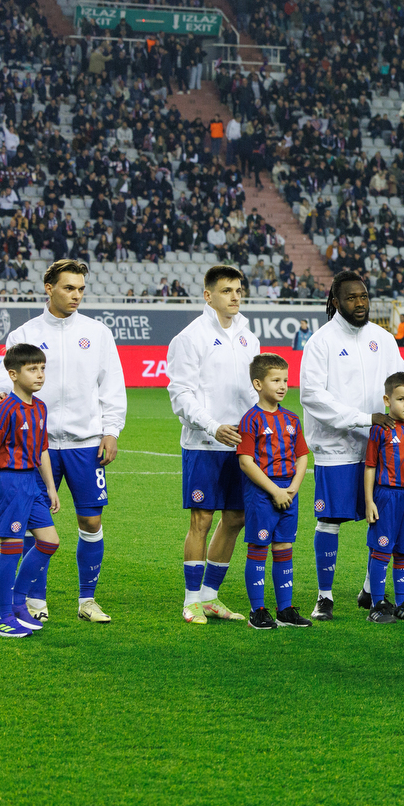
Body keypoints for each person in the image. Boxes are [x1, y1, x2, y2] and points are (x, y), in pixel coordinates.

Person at [0, 258, 126, 624]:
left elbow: (112, 385)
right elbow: (3, 379)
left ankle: (87, 600)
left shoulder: (97, 333)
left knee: (91, 522)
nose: (76, 295)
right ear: (49, 288)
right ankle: (34, 600)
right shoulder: (24, 333)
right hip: (38, 447)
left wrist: (111, 430)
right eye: (69, 288)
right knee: (36, 524)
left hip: (86, 443)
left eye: (81, 288)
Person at [302, 272, 404, 620]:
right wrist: (364, 418)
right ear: (335, 302)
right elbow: (312, 396)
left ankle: (370, 590)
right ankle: (324, 597)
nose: (360, 303)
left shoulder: (383, 338)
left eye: (364, 296)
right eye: (352, 298)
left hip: (381, 449)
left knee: (380, 521)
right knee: (330, 520)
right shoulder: (321, 342)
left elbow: (403, 382)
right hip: (336, 448)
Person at [166, 265, 261, 624]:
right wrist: (212, 426)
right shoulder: (190, 338)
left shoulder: (248, 336)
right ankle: (190, 601)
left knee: (235, 518)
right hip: (204, 442)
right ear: (209, 296)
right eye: (226, 291)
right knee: (202, 519)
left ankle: (210, 597)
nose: (235, 296)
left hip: (241, 443)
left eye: (238, 290)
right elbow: (181, 394)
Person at [0, 344, 61, 638]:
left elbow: (43, 449)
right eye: (32, 369)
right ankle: (3, 616)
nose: (40, 375)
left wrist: (50, 486)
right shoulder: (5, 408)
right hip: (8, 483)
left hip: (32, 482)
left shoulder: (41, 407)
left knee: (49, 541)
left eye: (42, 368)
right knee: (10, 548)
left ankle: (19, 604)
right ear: (13, 374)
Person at [234, 353, 313, 629]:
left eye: (285, 380)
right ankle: (257, 611)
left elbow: (303, 456)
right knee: (258, 547)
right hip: (261, 494)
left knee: (284, 547)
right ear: (258, 384)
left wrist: (292, 488)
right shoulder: (251, 420)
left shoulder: (291, 418)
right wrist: (274, 491)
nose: (282, 386)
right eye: (275, 380)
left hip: (289, 492)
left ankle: (285, 610)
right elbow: (245, 462)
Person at [363, 373, 404, 624]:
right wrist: (369, 501)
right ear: (388, 400)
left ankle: (403, 603)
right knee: (382, 550)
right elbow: (370, 466)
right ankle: (377, 605)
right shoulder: (380, 429)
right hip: (386, 497)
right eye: (401, 399)